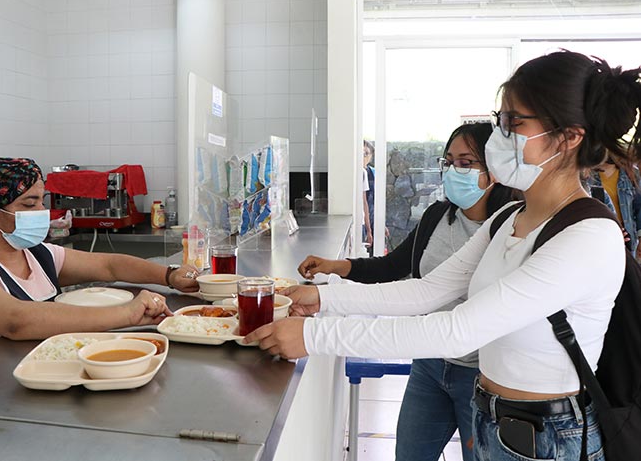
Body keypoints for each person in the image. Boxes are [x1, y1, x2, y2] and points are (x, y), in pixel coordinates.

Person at [247, 51, 641, 460]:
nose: (498, 137)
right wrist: (326, 297)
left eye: (513, 123)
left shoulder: (589, 236)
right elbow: (427, 291)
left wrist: (315, 336)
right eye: (499, 120)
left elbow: (458, 330)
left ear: (568, 137)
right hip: (493, 416)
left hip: (550, 438)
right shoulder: (508, 216)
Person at [299, 122, 519, 461]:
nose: (453, 171)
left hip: (480, 377)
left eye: (465, 163)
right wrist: (335, 267)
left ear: (494, 171)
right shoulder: (437, 217)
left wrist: (314, 332)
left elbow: (462, 323)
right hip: (430, 365)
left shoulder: (508, 230)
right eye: (448, 162)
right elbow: (397, 271)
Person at [0, 157, 200, 365]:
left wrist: (169, 275)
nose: (42, 212)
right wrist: (127, 314)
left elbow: (109, 266)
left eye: (41, 202)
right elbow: (15, 321)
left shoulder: (37, 254)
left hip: (36, 376)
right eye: (29, 204)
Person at [587, 152, 641, 257]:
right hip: (600, 237)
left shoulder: (631, 173)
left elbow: (639, 207)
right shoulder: (586, 174)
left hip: (628, 238)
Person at [362, 140, 375, 252]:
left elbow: (375, 201)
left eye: (366, 154)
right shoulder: (360, 173)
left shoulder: (373, 173)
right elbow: (363, 201)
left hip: (372, 217)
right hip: (363, 220)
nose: (363, 157)